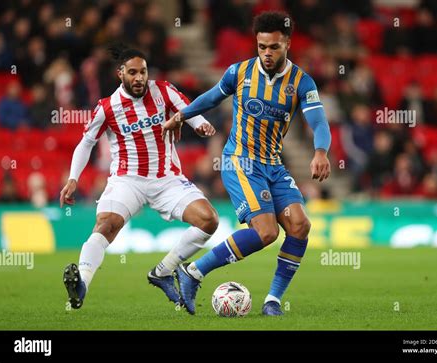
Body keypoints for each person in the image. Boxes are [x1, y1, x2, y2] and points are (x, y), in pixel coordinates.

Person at [163, 11, 331, 316]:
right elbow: (212, 97)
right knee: (267, 232)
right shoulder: (239, 72)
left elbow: (319, 121)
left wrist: (320, 152)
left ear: (287, 44)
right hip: (240, 161)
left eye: (274, 47)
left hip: (273, 165)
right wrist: (180, 115)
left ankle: (272, 302)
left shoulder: (301, 82)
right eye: (262, 47)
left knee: (299, 226)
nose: (267, 53)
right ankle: (193, 273)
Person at [60, 45, 218, 309]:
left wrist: (199, 124)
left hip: (166, 178)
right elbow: (86, 143)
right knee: (106, 225)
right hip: (127, 180)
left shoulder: (164, 90)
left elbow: (188, 110)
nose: (139, 78)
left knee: (209, 220)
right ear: (120, 74)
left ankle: (164, 270)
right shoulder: (107, 107)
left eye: (143, 72)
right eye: (132, 72)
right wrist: (73, 178)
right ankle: (82, 285)